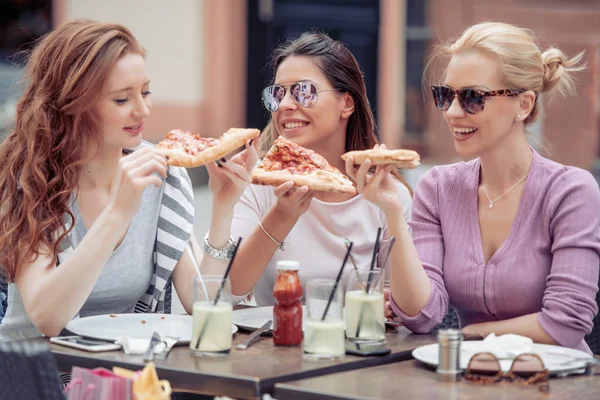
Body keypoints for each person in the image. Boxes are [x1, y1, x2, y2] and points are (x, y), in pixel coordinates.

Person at [346, 22, 600, 353]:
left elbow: (566, 323)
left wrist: (475, 333)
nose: (452, 112)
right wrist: (393, 211)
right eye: (444, 94)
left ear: (523, 105)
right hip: (464, 379)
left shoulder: (571, 191)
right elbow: (421, 315)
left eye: (472, 97)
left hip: (554, 383)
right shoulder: (436, 187)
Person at [0, 19, 258, 340]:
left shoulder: (161, 172)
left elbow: (200, 301)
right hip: (39, 377)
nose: (143, 110)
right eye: (122, 100)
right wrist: (118, 213)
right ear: (73, 105)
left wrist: (222, 208)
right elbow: (47, 318)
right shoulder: (31, 179)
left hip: (125, 375)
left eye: (146, 92)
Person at [230, 32, 413, 305]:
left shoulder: (386, 194)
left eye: (304, 91)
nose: (286, 105)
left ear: (346, 103)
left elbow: (401, 303)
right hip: (275, 344)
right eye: (278, 94)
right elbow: (229, 290)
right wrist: (280, 215)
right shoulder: (257, 181)